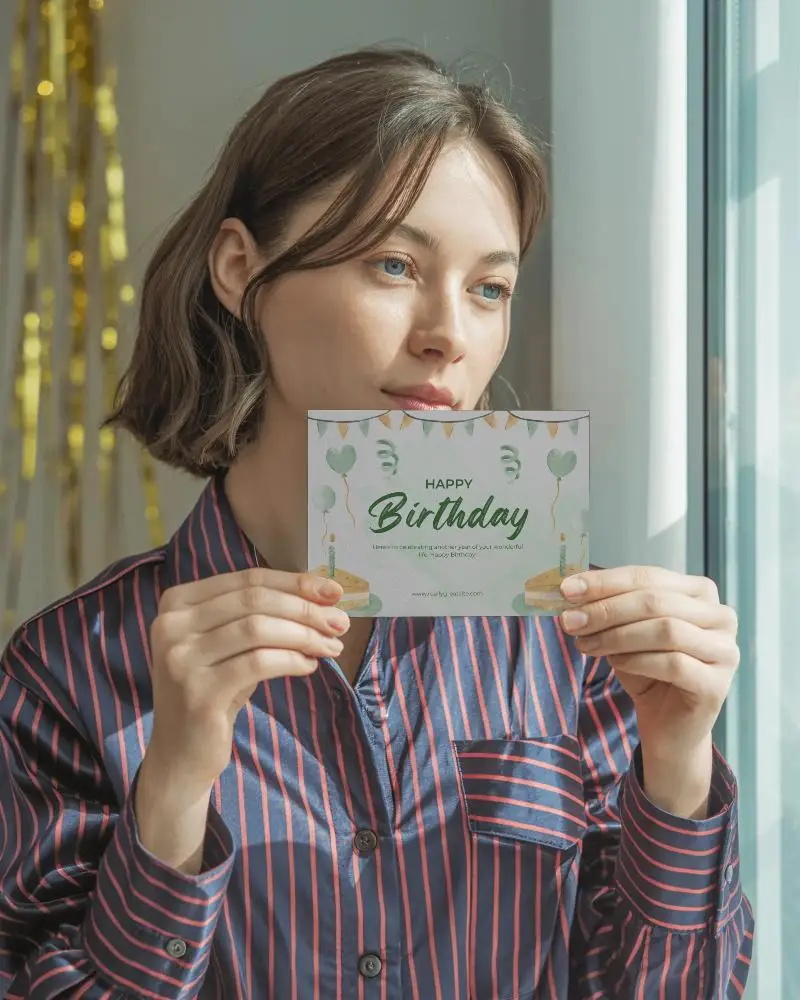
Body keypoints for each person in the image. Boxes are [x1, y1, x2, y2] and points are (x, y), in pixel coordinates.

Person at [0, 47, 753, 1000]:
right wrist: (174, 797)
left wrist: (679, 764)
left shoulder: (581, 653)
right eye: (395, 264)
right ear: (242, 268)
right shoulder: (69, 670)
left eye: (489, 287)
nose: (452, 332)